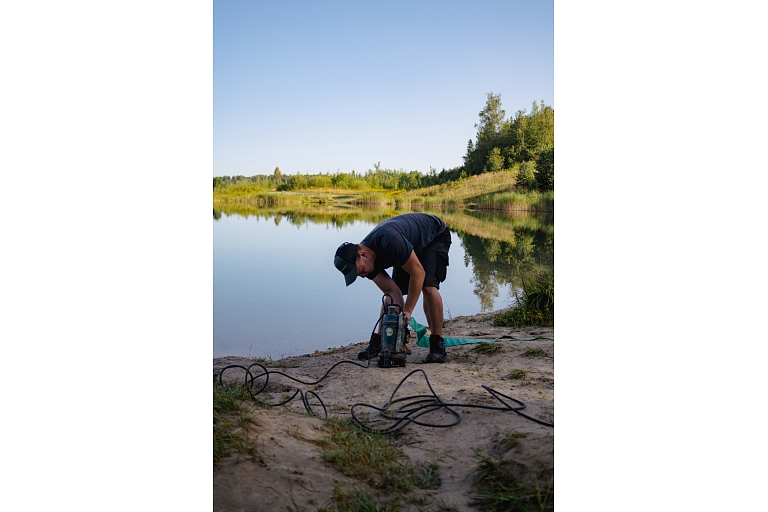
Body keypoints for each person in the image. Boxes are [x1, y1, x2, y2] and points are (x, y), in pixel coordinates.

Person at [333, 212, 452, 363]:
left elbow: (418, 273)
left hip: (433, 235)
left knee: (428, 286)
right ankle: (377, 342)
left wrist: (407, 311)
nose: (362, 275)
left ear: (363, 254)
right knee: (390, 296)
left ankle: (437, 345)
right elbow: (392, 292)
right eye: (357, 275)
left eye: (360, 271)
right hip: (408, 246)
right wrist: (399, 325)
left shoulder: (390, 240)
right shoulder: (367, 264)